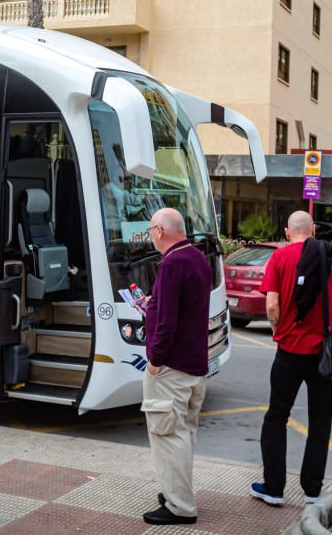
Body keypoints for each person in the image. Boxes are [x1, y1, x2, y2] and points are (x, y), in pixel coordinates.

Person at [250, 211, 332, 507]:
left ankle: (273, 487)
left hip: (289, 352)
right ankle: (311, 489)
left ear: (287, 232)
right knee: (320, 421)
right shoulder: (330, 256)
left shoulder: (279, 258)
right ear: (312, 231)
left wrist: (278, 329)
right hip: (323, 353)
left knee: (276, 416)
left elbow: (271, 305)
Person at [140, 207, 211, 526]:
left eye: (150, 230)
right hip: (195, 365)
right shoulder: (197, 257)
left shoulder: (172, 263)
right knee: (183, 434)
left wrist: (155, 359)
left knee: (169, 436)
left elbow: (167, 322)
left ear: (159, 231)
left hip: (171, 367)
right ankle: (175, 493)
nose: (150, 236)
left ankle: (181, 506)